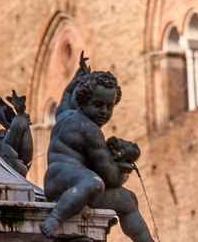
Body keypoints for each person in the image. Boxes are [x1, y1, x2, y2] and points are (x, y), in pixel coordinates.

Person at [40, 70, 154, 241]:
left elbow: (64, 102)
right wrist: (124, 165)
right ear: (83, 102)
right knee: (94, 183)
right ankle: (54, 219)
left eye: (110, 106)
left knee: (127, 200)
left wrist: (74, 82)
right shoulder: (90, 129)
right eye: (98, 104)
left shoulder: (65, 116)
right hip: (65, 182)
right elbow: (111, 177)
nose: (104, 112)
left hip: (59, 181)